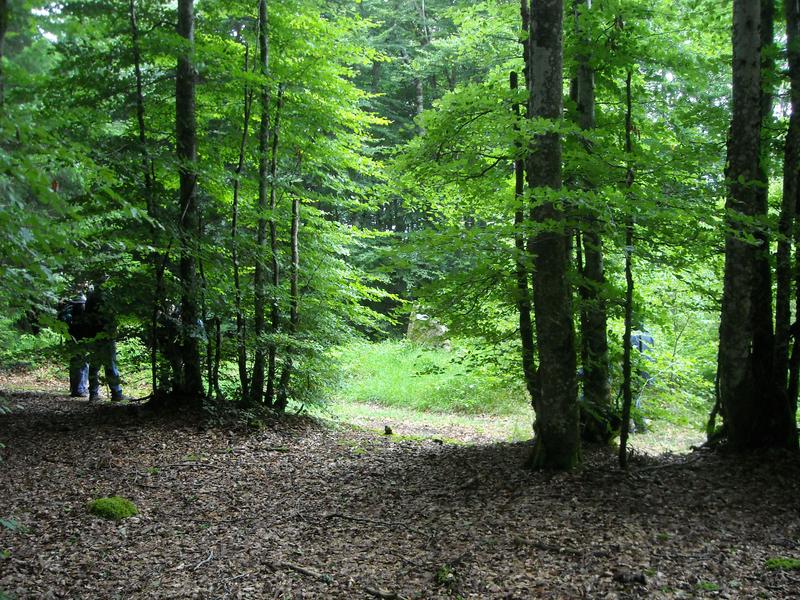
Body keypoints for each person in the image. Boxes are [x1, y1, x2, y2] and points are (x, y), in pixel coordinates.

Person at [74, 276, 125, 402]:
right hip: (105, 335)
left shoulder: (91, 296)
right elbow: (111, 315)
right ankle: (116, 393)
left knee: (95, 365)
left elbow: (87, 315)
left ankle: (94, 394)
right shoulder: (106, 296)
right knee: (110, 364)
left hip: (93, 335)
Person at [57, 290, 89, 397]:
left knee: (76, 363)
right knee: (81, 363)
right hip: (79, 339)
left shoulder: (69, 313)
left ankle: (76, 388)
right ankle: (79, 389)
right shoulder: (80, 314)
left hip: (72, 338)